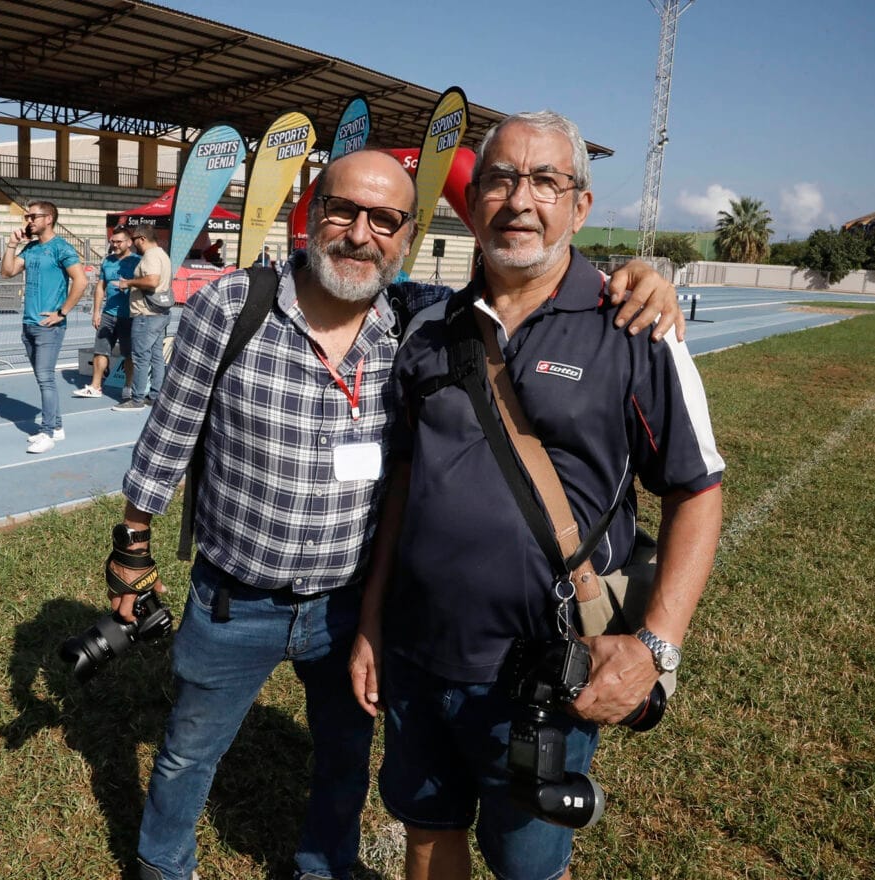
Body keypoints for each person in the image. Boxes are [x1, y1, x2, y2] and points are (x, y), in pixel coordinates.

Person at [102, 149, 686, 880]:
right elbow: (168, 438)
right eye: (343, 211)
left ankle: (326, 869)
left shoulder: (415, 321)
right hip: (233, 599)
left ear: (406, 236)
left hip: (347, 608)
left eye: (384, 220)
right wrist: (131, 548)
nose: (359, 233)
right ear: (310, 215)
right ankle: (162, 866)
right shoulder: (231, 305)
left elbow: (532, 278)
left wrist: (636, 278)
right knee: (190, 749)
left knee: (344, 763)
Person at [349, 113, 724, 880]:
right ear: (473, 199)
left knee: (528, 864)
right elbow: (406, 484)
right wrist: (373, 620)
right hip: (419, 655)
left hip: (544, 672)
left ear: (579, 207)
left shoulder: (633, 325)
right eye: (500, 179)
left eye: (546, 180)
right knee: (427, 832)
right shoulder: (427, 327)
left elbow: (697, 489)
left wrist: (657, 646)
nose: (521, 199)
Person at [1, 200, 89, 453]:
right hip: (29, 323)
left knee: (45, 378)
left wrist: (62, 312)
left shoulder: (61, 247)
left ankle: (48, 431)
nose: (28, 221)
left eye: (33, 216)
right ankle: (57, 426)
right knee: (43, 379)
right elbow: (7, 272)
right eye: (27, 217)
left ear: (48, 218)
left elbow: (80, 281)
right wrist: (11, 245)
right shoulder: (30, 249)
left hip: (48, 326)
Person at [111, 224, 172, 412]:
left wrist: (128, 282)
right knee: (156, 357)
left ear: (142, 239)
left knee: (140, 357)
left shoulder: (151, 256)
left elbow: (152, 281)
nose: (134, 243)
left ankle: (136, 399)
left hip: (146, 314)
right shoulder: (162, 254)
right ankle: (155, 395)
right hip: (159, 312)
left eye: (135, 240)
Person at [75, 227, 139, 400]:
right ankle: (95, 387)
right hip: (108, 314)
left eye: (119, 242)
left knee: (129, 354)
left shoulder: (138, 261)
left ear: (129, 242)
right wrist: (96, 312)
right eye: (112, 241)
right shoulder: (107, 261)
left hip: (130, 316)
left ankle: (128, 386)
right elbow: (100, 288)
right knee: (100, 350)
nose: (115, 245)